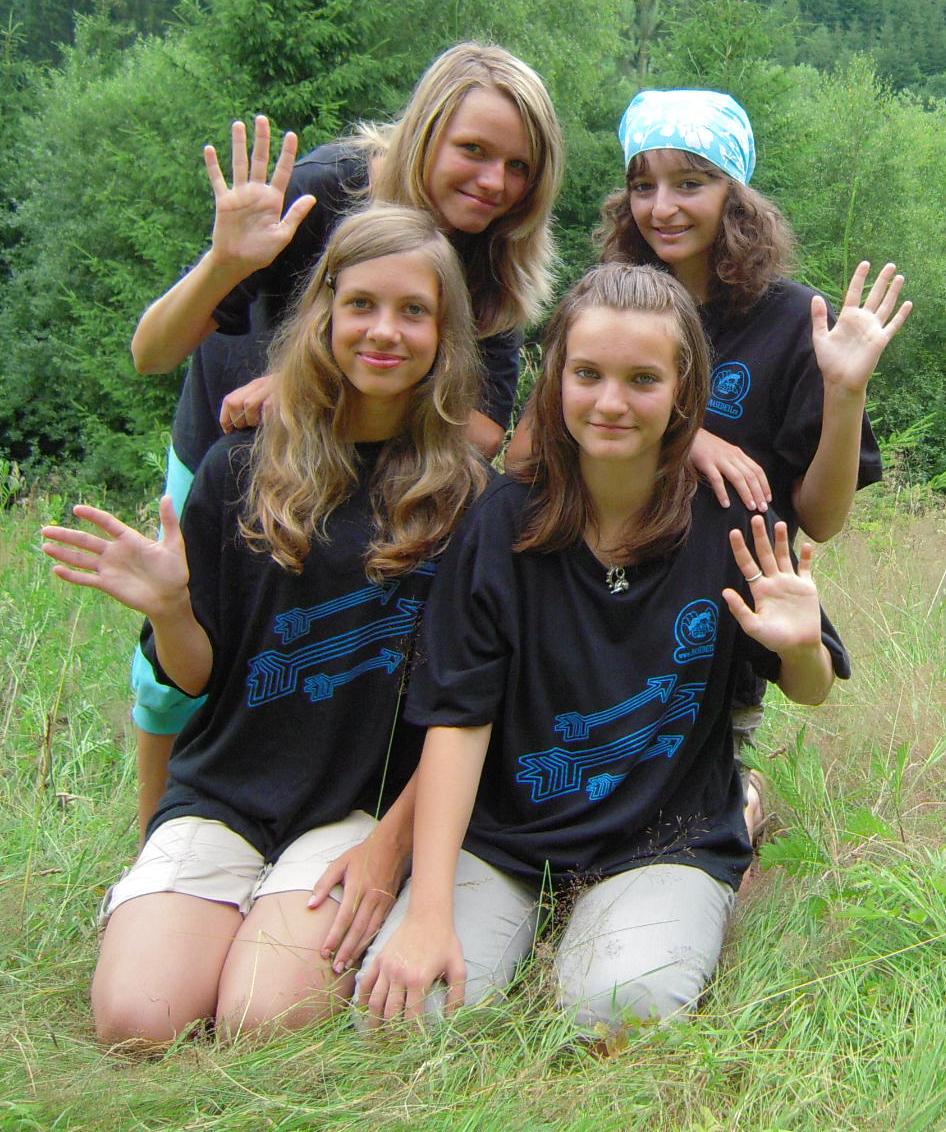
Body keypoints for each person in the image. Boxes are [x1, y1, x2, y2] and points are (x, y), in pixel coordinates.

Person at [356, 263, 849, 1035]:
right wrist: (428, 914)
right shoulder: (502, 524)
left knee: (617, 1010)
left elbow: (811, 687)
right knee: (407, 1021)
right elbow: (458, 718)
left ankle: (734, 829)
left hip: (665, 835)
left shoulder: (733, 522)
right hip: (509, 834)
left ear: (684, 392)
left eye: (643, 379)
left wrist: (800, 648)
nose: (611, 402)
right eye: (587, 374)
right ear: (556, 378)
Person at [41, 205, 489, 1048]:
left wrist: (392, 846)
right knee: (138, 1022)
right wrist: (171, 608)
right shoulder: (240, 465)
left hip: (356, 810)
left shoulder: (469, 499)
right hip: (223, 793)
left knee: (263, 1019)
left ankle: (269, 925)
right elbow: (195, 676)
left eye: (413, 311)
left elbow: (468, 710)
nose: (383, 331)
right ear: (324, 314)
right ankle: (169, 902)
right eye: (361, 305)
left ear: (445, 334)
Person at [127, 41, 565, 841]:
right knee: (169, 668)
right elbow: (152, 353)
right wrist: (224, 262)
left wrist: (318, 391)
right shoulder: (325, 191)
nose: (495, 182)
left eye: (519, 167)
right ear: (427, 131)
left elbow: (481, 432)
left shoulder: (492, 258)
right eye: (473, 150)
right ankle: (153, 844)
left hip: (367, 473)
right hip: (231, 457)